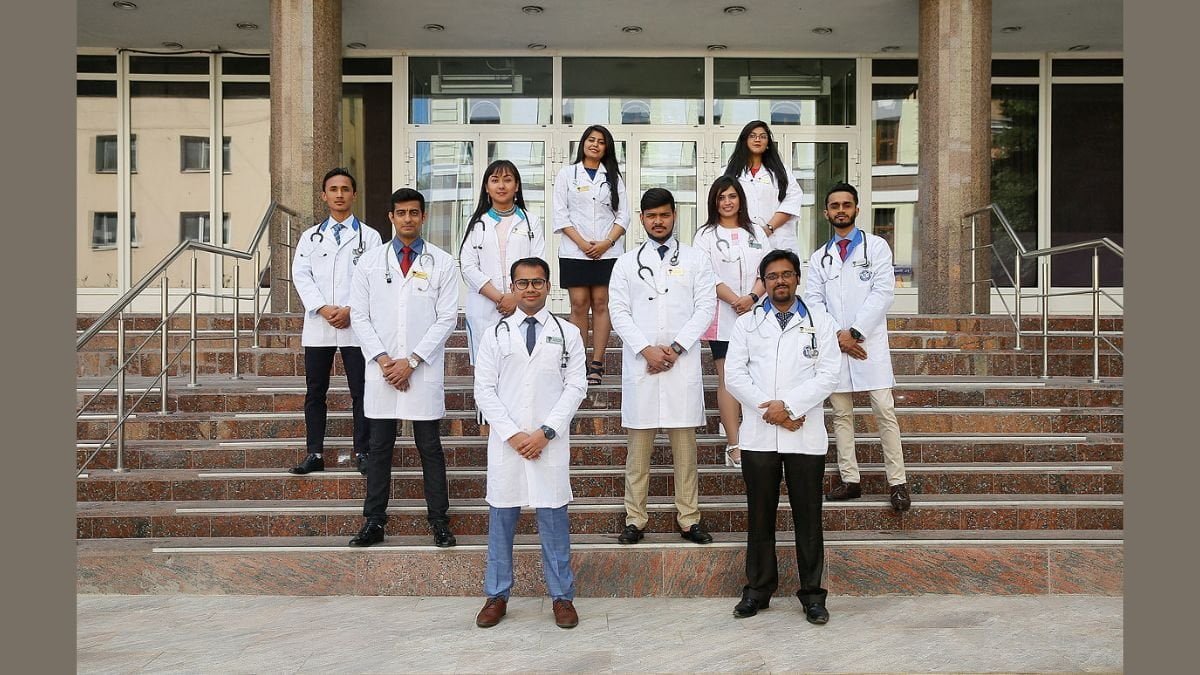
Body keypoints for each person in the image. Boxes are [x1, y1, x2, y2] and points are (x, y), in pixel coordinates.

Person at [724, 249, 840, 625]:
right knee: (760, 516)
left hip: (804, 433)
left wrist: (787, 407)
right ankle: (758, 591)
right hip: (759, 436)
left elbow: (829, 374)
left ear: (797, 278)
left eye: (786, 274)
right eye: (772, 276)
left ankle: (813, 596)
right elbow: (734, 375)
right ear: (763, 283)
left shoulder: (821, 322)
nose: (780, 281)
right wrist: (771, 411)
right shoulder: (747, 323)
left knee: (809, 518)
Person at [472, 257, 588, 630]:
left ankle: (562, 597)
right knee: (501, 521)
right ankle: (496, 595)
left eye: (537, 282)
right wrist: (513, 434)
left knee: (553, 520)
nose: (530, 289)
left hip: (548, 443)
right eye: (522, 283)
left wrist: (545, 432)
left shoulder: (568, 333)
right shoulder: (495, 333)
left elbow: (577, 386)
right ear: (512, 287)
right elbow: (484, 390)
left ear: (549, 286)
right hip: (508, 444)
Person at [347, 188, 459, 547]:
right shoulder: (370, 262)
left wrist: (411, 361)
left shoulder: (443, 263)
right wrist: (384, 360)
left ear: (423, 217)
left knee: (430, 447)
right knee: (379, 447)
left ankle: (439, 520)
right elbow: (359, 316)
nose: (407, 218)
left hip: (420, 369)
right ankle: (374, 521)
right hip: (382, 369)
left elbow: (447, 319)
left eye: (414, 212)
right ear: (391, 217)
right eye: (401, 213)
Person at [608, 188, 718, 546]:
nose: (658, 221)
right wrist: (646, 350)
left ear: (674, 216)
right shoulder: (626, 263)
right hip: (643, 366)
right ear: (641, 219)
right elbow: (618, 311)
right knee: (638, 456)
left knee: (685, 454)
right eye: (652, 216)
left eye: (665, 215)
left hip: (680, 365)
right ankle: (635, 519)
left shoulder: (697, 259)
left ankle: (689, 519)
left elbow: (706, 306)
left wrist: (675, 348)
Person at [803, 182, 911, 512]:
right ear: (826, 213)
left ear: (856, 210)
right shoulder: (819, 258)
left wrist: (855, 332)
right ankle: (850, 480)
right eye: (835, 205)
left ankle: (898, 483)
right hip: (836, 345)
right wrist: (839, 336)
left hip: (867, 343)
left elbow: (883, 293)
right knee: (841, 414)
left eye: (846, 205)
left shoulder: (876, 247)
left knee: (884, 410)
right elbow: (813, 301)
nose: (841, 210)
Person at [289, 167, 384, 476]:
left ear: (354, 194)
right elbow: (301, 275)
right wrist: (322, 308)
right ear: (324, 195)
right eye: (333, 189)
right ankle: (315, 453)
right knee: (315, 391)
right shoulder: (310, 237)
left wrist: (350, 310)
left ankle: (363, 451)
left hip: (356, 324)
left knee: (361, 389)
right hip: (320, 324)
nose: (339, 194)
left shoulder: (371, 237)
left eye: (345, 189)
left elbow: (374, 280)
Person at [693, 176, 769, 468]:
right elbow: (705, 275)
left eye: (732, 196)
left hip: (757, 313)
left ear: (741, 200)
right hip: (722, 317)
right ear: (714, 202)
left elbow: (767, 270)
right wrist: (735, 300)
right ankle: (734, 444)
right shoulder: (705, 235)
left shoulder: (757, 232)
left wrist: (751, 298)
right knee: (728, 378)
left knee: (757, 376)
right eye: (721, 197)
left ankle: (757, 439)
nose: (727, 202)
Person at [552, 125, 630, 386]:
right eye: (591, 140)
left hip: (608, 251)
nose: (595, 145)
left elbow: (623, 216)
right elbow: (560, 214)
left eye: (601, 141)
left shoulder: (614, 177)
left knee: (600, 303)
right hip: (575, 250)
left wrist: (606, 243)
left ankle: (597, 362)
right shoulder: (567, 174)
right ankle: (578, 361)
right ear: (583, 143)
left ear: (607, 148)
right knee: (578, 304)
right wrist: (583, 244)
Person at [460, 159, 546, 366]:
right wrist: (501, 298)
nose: (501, 186)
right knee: (485, 369)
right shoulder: (475, 222)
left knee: (521, 367)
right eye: (495, 180)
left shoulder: (531, 221)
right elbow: (468, 266)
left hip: (523, 305)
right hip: (485, 306)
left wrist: (516, 298)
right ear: (486, 187)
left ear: (516, 186)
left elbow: (538, 264)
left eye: (507, 180)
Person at [723, 120, 805, 254]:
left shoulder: (782, 171)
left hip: (777, 239)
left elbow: (792, 200)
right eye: (752, 136)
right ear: (744, 141)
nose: (757, 140)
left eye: (762, 136)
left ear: (768, 143)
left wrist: (768, 229)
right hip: (742, 238)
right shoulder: (729, 172)